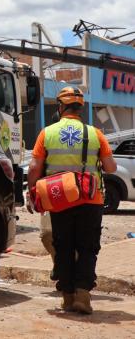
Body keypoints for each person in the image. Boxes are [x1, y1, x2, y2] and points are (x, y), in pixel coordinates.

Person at [27, 86, 117, 314]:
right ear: (79, 108)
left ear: (60, 107)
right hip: (90, 200)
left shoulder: (47, 133)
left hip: (60, 200)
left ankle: (67, 298)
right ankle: (83, 296)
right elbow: (111, 167)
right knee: (87, 248)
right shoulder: (95, 133)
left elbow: (34, 167)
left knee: (63, 246)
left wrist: (31, 192)